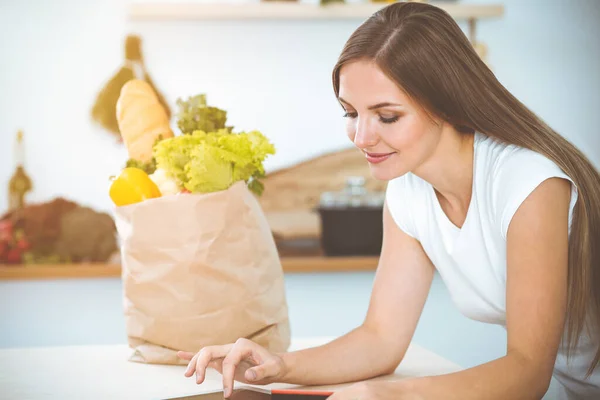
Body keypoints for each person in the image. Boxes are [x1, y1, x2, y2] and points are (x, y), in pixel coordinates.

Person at [177, 2, 600, 399]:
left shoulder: (528, 182)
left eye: (387, 116)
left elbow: (528, 373)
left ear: (447, 104)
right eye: (350, 113)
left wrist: (389, 393)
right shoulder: (408, 190)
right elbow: (380, 338)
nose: (362, 137)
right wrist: (276, 365)